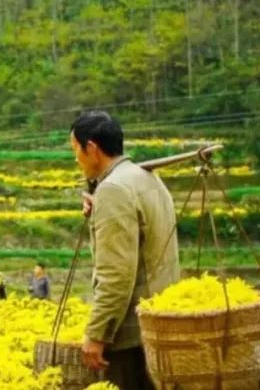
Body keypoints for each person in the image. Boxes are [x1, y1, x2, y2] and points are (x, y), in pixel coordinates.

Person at [71, 111, 180, 390]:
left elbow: (116, 275)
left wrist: (97, 334)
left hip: (132, 335)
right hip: (162, 323)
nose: (76, 159)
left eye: (76, 150)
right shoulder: (146, 178)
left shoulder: (114, 191)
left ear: (92, 148)